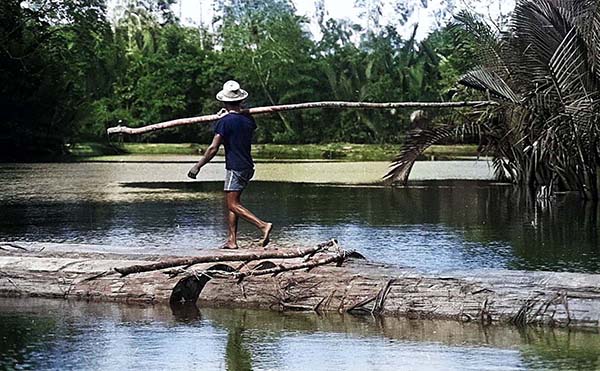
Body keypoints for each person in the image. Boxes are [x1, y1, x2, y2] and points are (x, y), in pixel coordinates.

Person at [187, 80, 272, 249]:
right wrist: (227, 115)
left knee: (232, 204)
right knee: (234, 201)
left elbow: (213, 148)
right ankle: (232, 240)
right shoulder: (248, 120)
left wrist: (198, 166)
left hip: (236, 167)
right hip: (247, 166)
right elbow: (238, 122)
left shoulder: (224, 122)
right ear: (240, 101)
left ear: (225, 101)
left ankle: (263, 225)